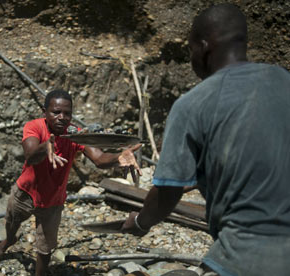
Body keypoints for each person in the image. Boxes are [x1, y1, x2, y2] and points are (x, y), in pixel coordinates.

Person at [120, 3, 290, 276]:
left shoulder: (193, 104)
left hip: (244, 255)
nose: (191, 59)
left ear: (203, 47)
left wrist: (140, 222)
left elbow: (168, 192)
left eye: (190, 51)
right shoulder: (284, 80)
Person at [0, 89, 142, 276]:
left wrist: (118, 157)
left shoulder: (75, 136)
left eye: (67, 113)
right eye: (56, 112)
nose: (62, 117)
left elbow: (99, 159)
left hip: (52, 201)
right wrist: (45, 146)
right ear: (45, 112)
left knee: (45, 247)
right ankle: (9, 241)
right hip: (25, 192)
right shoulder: (34, 127)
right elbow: (30, 156)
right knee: (12, 223)